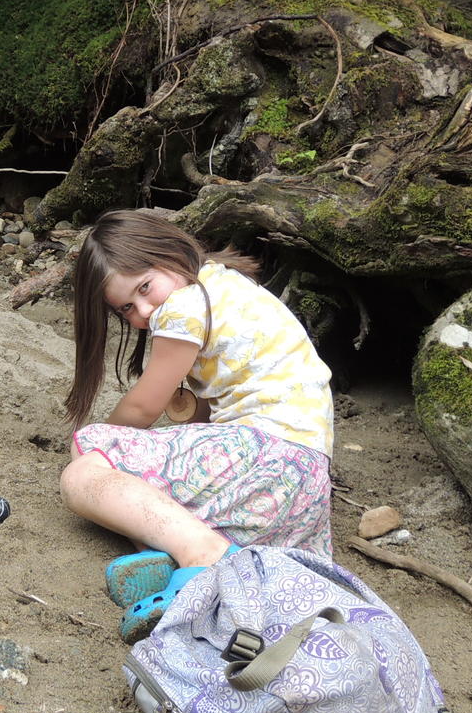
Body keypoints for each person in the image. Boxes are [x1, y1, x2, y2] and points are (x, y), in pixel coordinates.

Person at [60, 209, 334, 643]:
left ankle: (201, 555)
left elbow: (143, 408)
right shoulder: (223, 284)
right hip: (304, 482)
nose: (144, 312)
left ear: (168, 253)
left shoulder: (183, 306)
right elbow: (205, 415)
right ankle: (185, 559)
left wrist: (103, 445)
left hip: (264, 452)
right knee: (145, 495)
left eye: (145, 288)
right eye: (128, 308)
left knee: (85, 466)